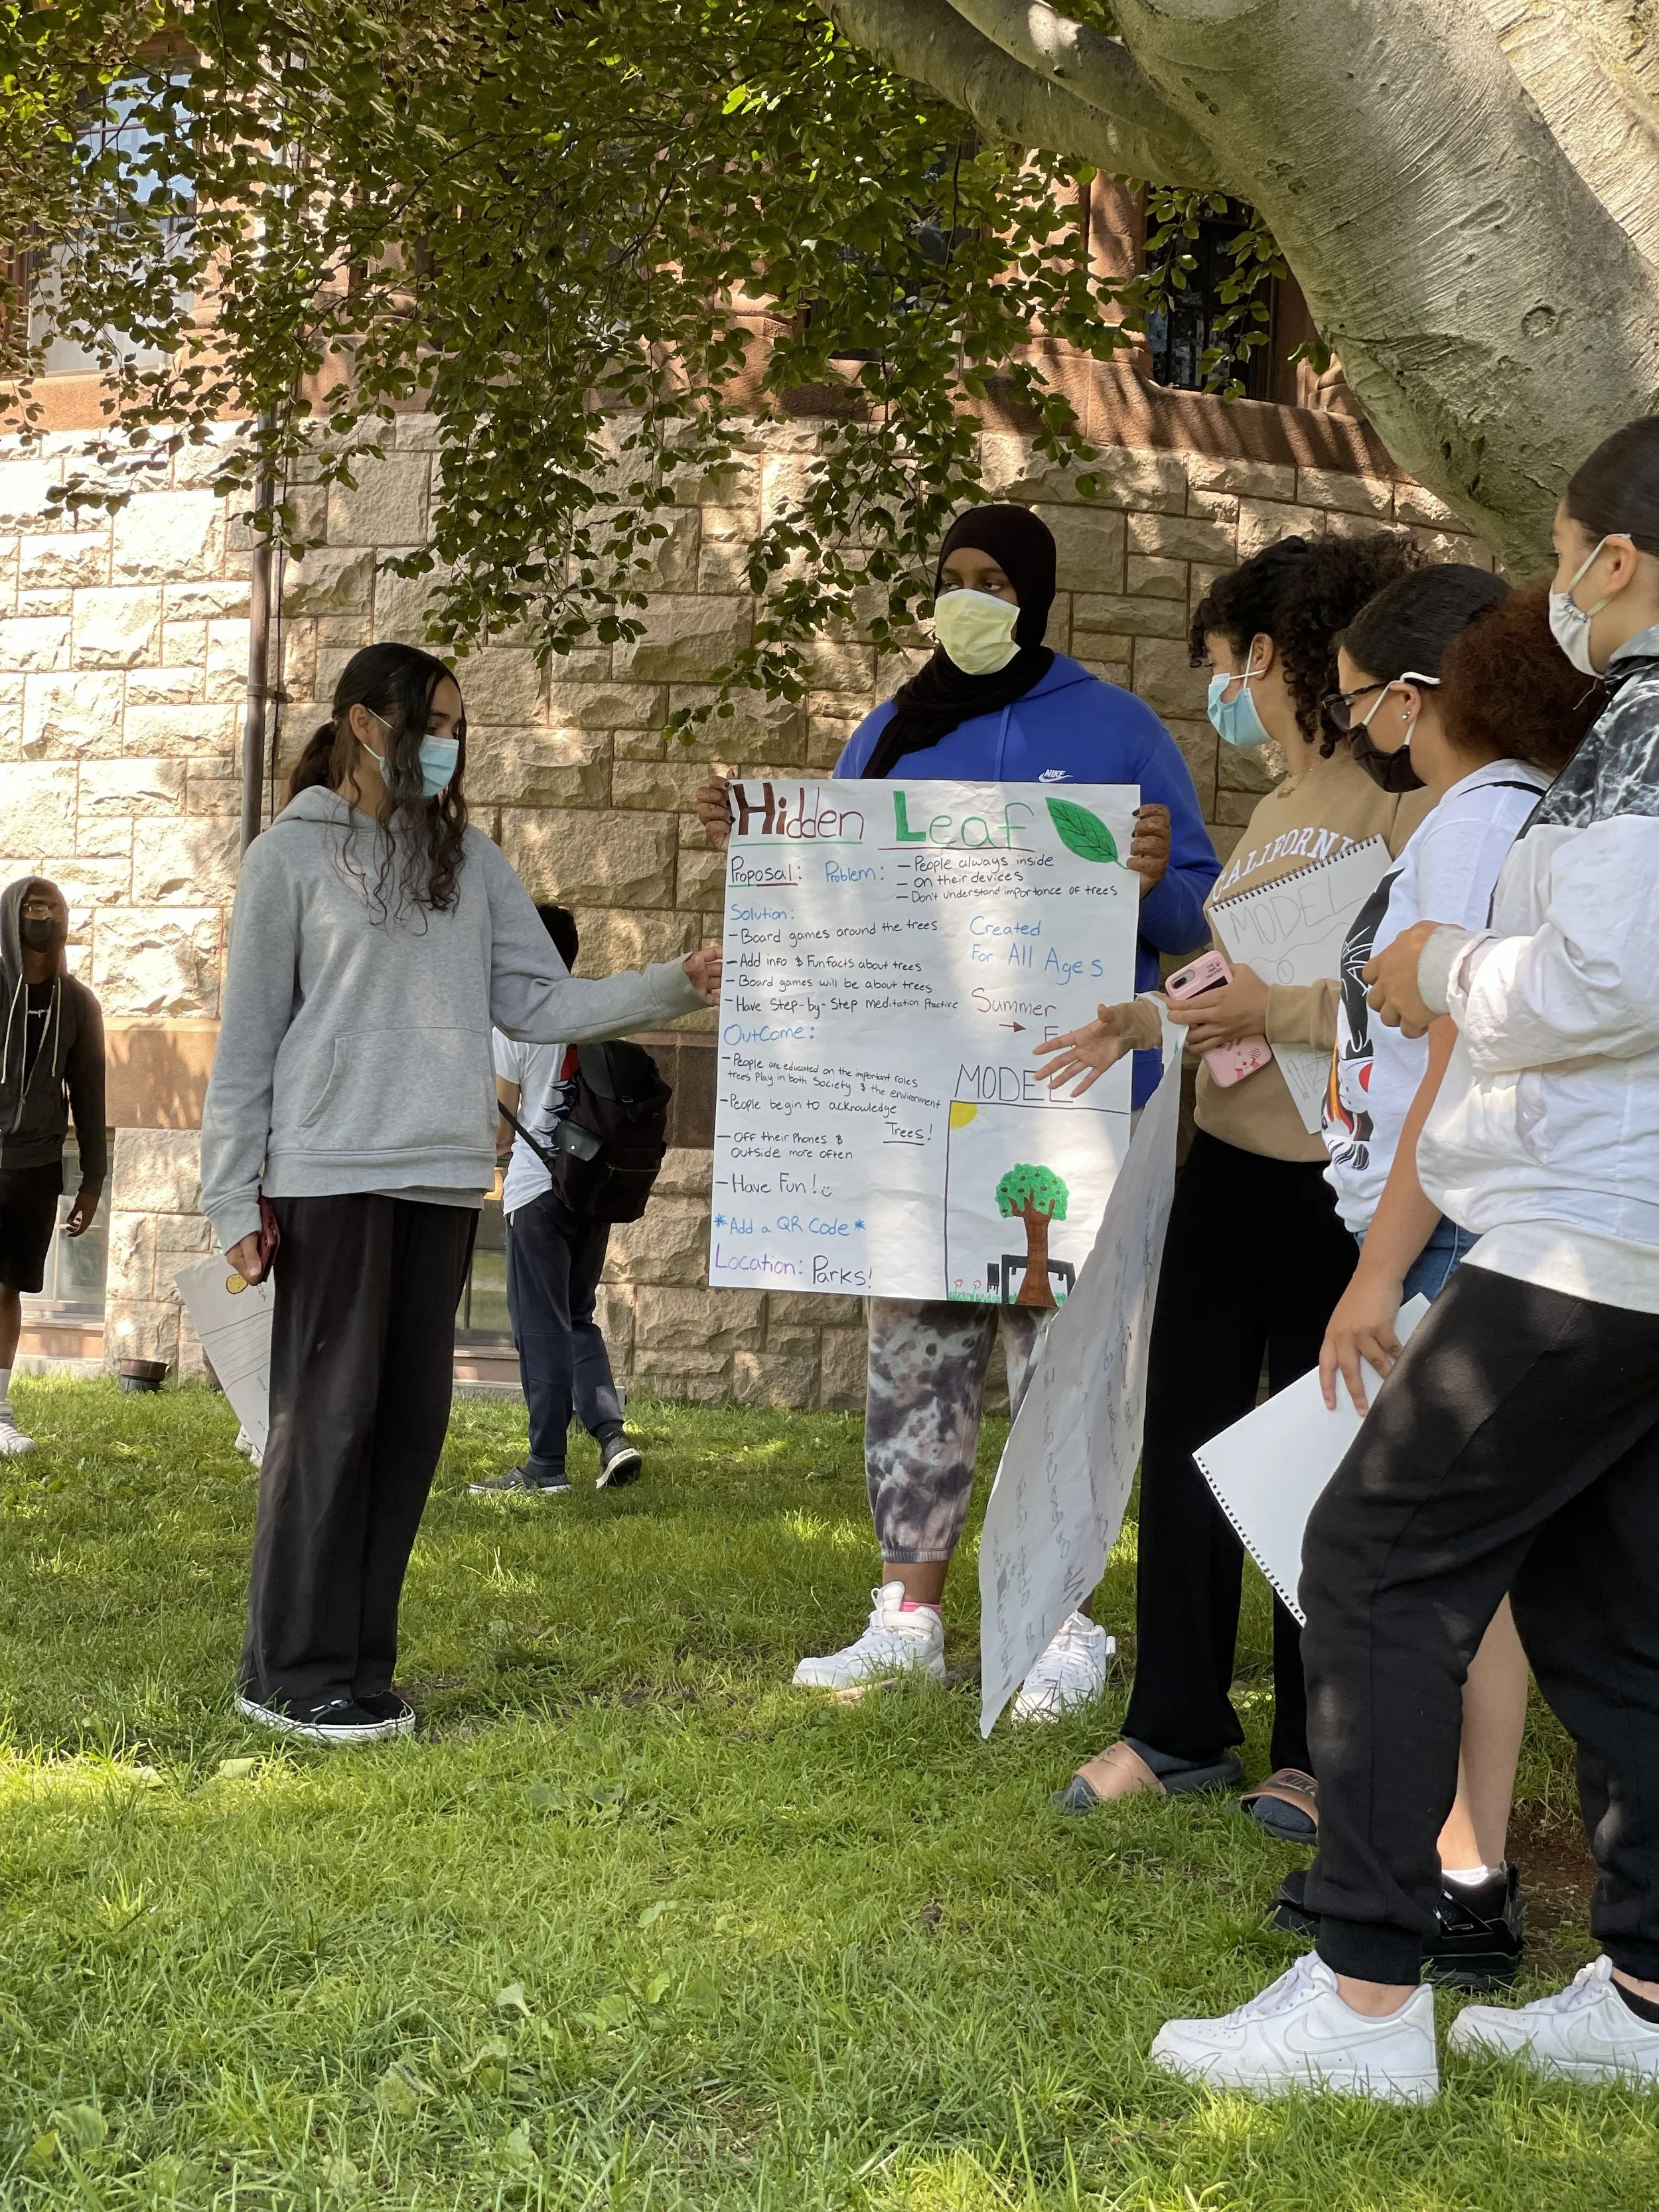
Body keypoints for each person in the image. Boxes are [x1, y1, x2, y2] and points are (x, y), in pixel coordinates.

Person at [1150, 415, 1659, 2099]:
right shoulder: (1630, 730)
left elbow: (1605, 983)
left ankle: (1366, 1993)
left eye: (1572, 548)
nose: (1559, 588)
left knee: (1371, 1555)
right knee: (1601, 1601)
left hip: (1591, 1231)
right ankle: (1653, 1990)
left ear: (1616, 559)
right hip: (1598, 1224)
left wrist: (1443, 967)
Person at [697, 503, 1218, 1713]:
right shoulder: (887, 731)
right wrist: (761, 865)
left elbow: (1198, 925)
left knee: (1060, 1367)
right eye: (952, 578)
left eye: (993, 579)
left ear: (1036, 595)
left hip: (1068, 1111)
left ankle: (1059, 1620)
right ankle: (908, 1613)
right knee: (916, 1358)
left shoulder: (1117, 728)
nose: (968, 597)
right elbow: (825, 897)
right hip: (912, 1117)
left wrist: (1151, 880)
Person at [201, 642, 721, 1749]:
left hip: (441, 1180)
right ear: (363, 723)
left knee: (406, 1427)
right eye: (431, 720)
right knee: (326, 1420)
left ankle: (359, 1665)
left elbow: (541, 1001)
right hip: (330, 1176)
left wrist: (679, 977)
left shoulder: (471, 861)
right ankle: (287, 1669)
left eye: (459, 725)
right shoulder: (286, 860)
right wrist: (229, 1199)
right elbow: (245, 1047)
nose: (450, 742)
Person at [1035, 531, 1427, 1820]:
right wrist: (1144, 1017)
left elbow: (1413, 993)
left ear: (1267, 654)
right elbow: (1226, 975)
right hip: (1224, 1169)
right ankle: (1175, 1727)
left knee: (1316, 1460)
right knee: (1191, 1441)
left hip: (1338, 1187)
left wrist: (1297, 1008)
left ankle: (1316, 1750)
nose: (1224, 695)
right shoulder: (1267, 810)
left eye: (1221, 667)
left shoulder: (1403, 799)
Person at [1264, 569, 1600, 1990]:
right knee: (1503, 1574)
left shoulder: (1475, 820)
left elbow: (1452, 1055)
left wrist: (1381, 1261)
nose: (1350, 722)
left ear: (1416, 694)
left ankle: (1443, 1882)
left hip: (1457, 1216)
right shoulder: (1523, 809)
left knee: (1411, 1564)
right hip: (1471, 1211)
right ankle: (1458, 1866)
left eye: (1351, 695)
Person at [471, 903, 642, 1498]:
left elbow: (500, 1131)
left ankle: (546, 1463)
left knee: (539, 1327)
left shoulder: (516, 1023)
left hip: (537, 1192)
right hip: (591, 1189)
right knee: (575, 1317)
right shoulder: (596, 1010)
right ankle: (612, 1435)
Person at [0, 877, 105, 1455]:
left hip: (35, 1164)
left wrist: (93, 1179)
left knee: (7, 1287)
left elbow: (90, 1094)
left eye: (53, 908)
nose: (42, 916)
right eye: (32, 907)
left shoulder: (79, 1003)